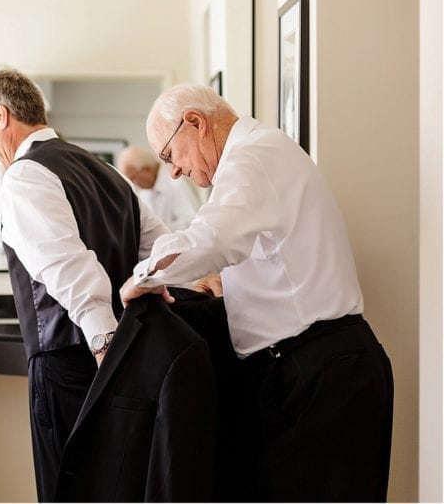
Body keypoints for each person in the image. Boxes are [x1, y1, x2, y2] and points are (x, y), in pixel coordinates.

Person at [120, 83, 393, 501]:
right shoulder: (259, 154)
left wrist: (141, 279)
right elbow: (262, 251)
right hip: (309, 370)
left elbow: (211, 239)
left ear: (195, 122)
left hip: (321, 372)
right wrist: (221, 282)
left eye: (169, 155)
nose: (173, 171)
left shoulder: (254, 156)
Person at [0, 69, 170, 501]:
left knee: (68, 488)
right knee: (117, 486)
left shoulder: (22, 176)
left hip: (71, 362)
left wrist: (103, 341)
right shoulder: (107, 171)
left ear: (0, 116)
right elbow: (157, 247)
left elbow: (67, 266)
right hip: (125, 354)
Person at [116, 145, 202, 230]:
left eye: (133, 178)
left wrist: (156, 231)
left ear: (146, 169)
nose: (134, 184)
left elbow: (192, 221)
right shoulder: (144, 191)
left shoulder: (176, 182)